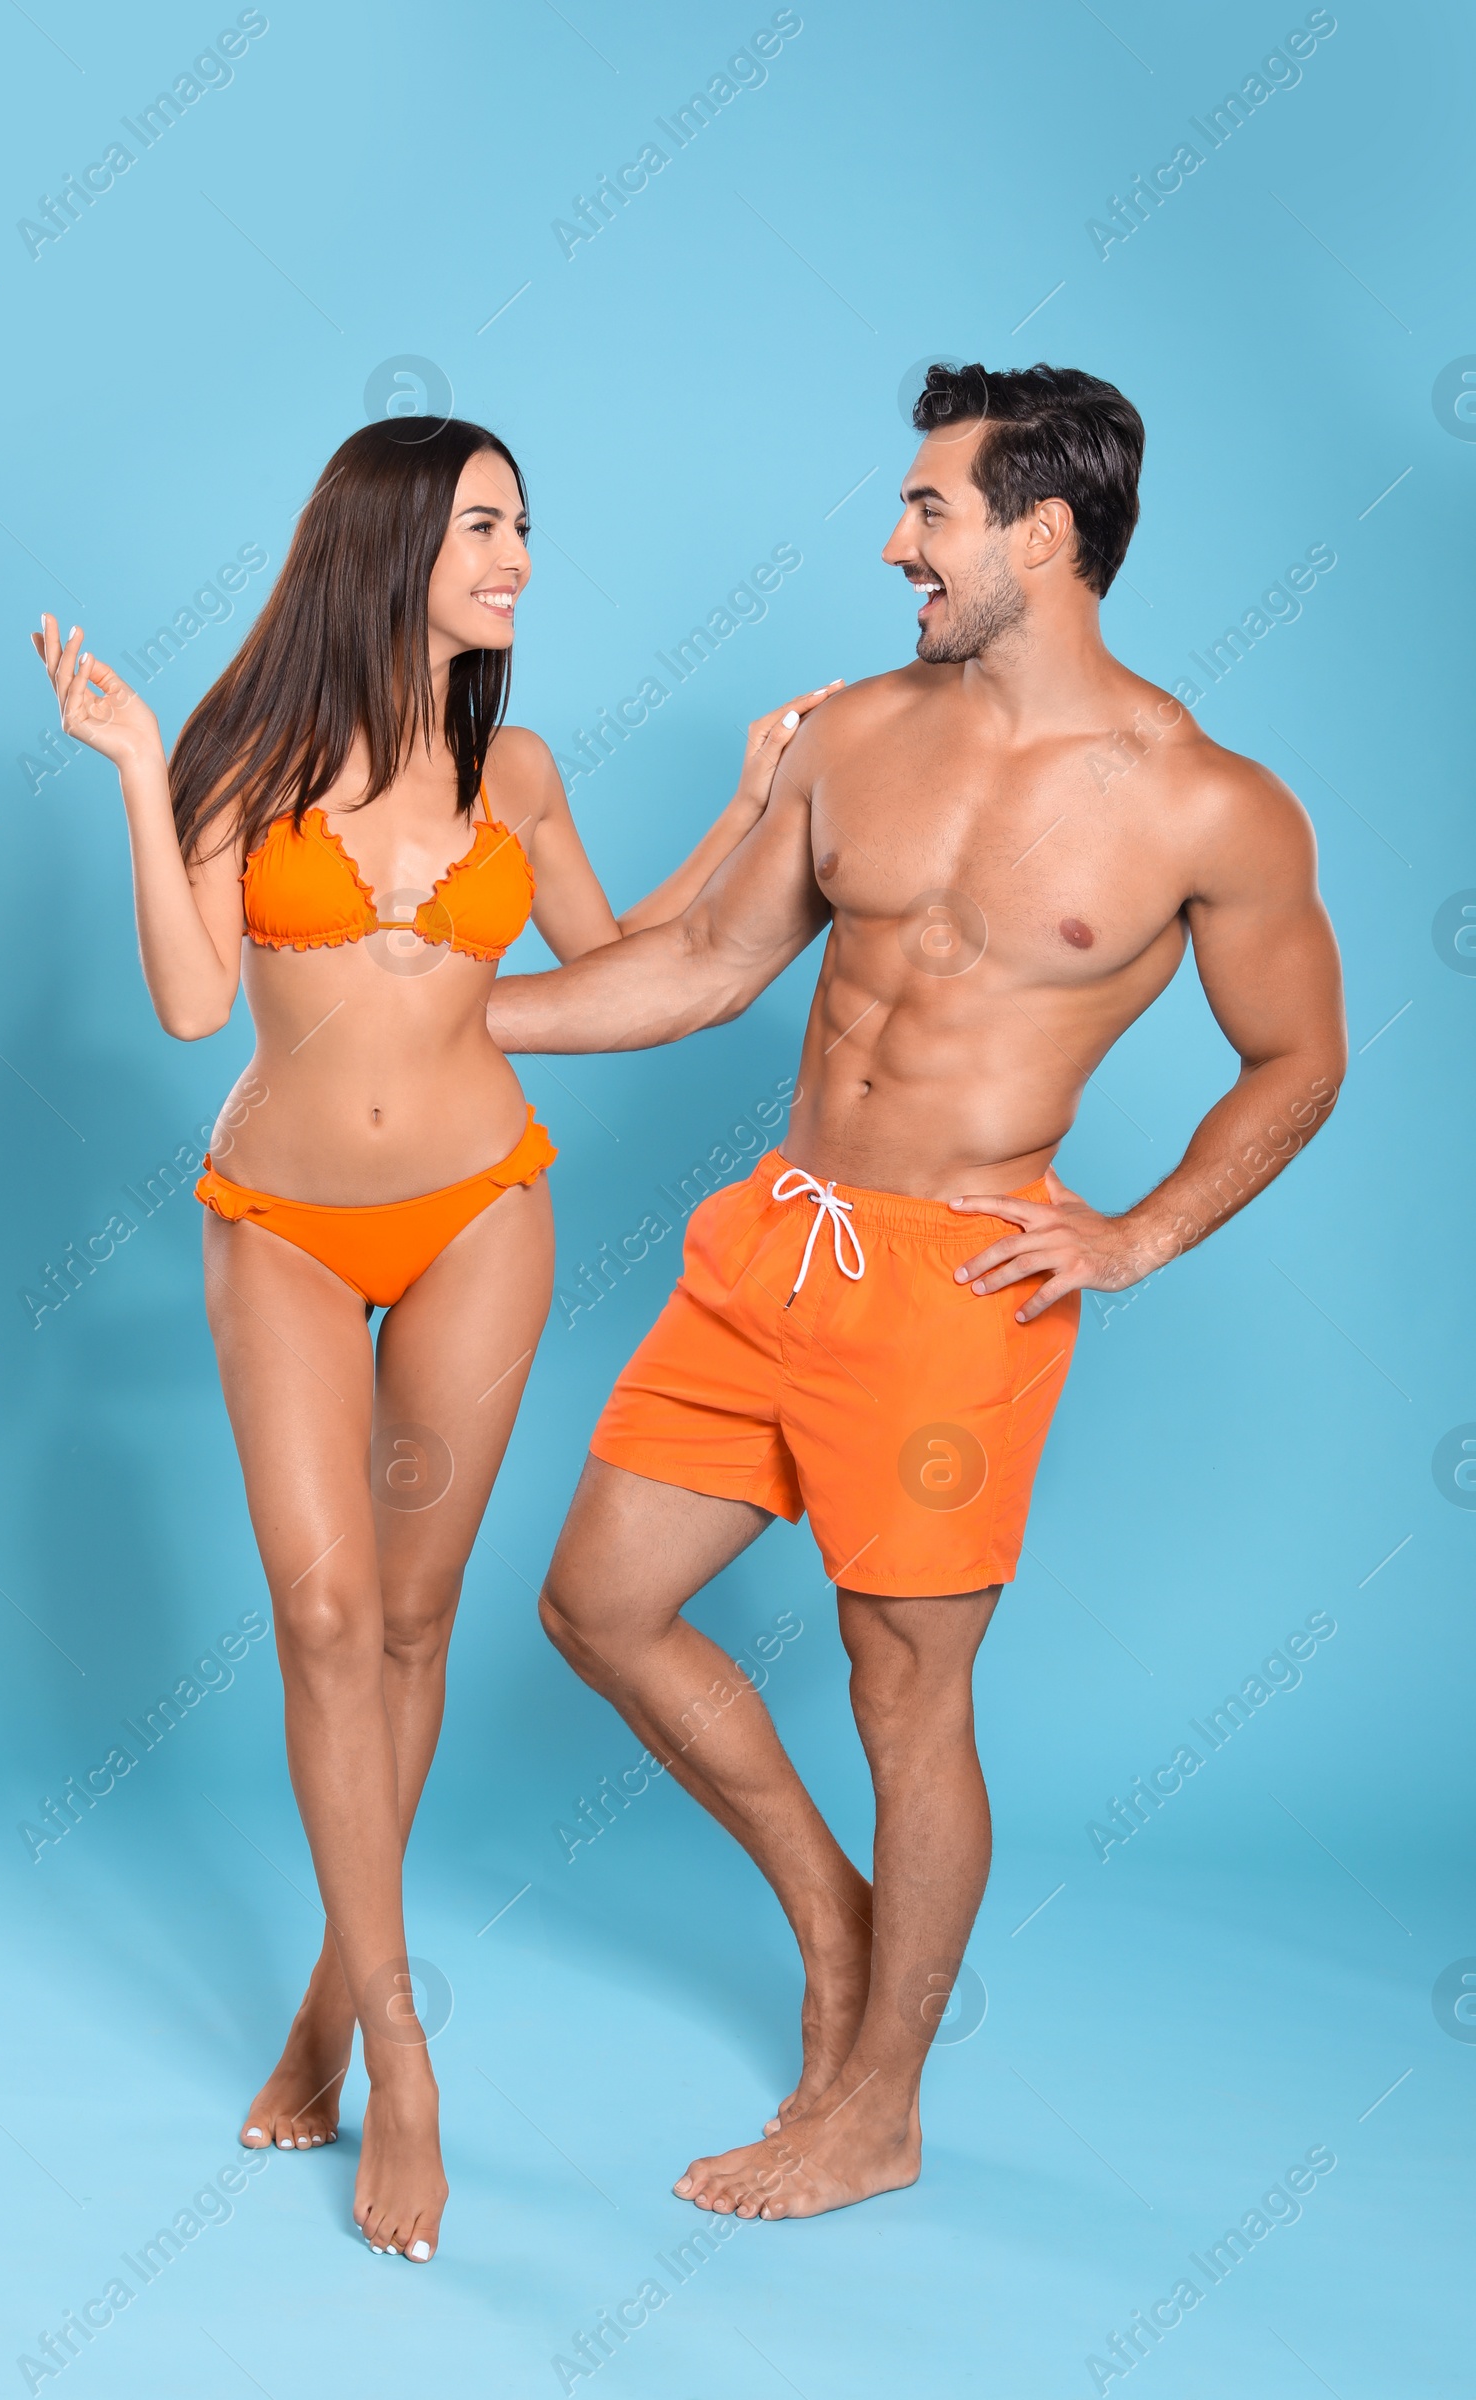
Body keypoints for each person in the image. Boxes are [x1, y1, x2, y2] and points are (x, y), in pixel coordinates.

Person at [487, 362, 1347, 2222]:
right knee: (598, 1602)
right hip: (773, 1246)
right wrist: (423, 1026)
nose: (895, 545)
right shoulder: (856, 731)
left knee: (904, 1698)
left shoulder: (1211, 805)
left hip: (960, 1289)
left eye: (930, 512)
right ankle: (833, 1916)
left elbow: (1297, 1061)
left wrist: (1137, 1233)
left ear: (1043, 535)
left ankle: (876, 2105)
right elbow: (702, 971)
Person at [31, 414, 836, 2262]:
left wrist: (743, 801)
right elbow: (184, 1006)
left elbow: (624, 951)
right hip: (284, 1230)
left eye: (528, 528)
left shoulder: (521, 768)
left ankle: (331, 1991)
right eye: (489, 525)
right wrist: (142, 769)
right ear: (392, 540)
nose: (521, 559)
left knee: (410, 1618)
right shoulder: (256, 753)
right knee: (321, 1621)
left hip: (483, 1211)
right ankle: (395, 2041)